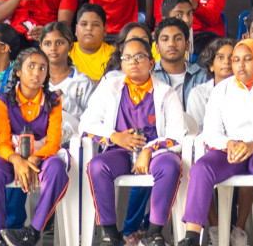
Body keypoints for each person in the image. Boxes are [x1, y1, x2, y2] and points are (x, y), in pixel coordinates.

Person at [80, 32, 187, 246]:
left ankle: (154, 232)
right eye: (127, 58)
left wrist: (149, 150)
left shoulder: (166, 93)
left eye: (139, 57)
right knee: (97, 166)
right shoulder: (110, 87)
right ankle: (110, 233)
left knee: (171, 166)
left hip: (155, 154)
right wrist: (115, 136)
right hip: (119, 151)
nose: (133, 62)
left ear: (151, 61)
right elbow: (86, 123)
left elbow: (178, 134)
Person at [0, 43, 72, 246]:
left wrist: (35, 159)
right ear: (18, 71)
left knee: (57, 169)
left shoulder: (53, 100)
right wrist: (17, 161)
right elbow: (2, 141)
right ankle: (0, 236)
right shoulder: (5, 101)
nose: (36, 72)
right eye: (31, 66)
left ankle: (33, 232)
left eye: (42, 68)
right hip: (12, 158)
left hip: (41, 158)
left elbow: (54, 141)